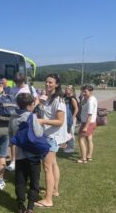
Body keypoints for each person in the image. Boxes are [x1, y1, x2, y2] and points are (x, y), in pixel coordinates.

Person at [35, 74, 67, 208]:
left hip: (51, 138)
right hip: (50, 136)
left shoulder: (58, 101)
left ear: (57, 84)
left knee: (47, 167)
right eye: (46, 82)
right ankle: (54, 190)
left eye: (50, 82)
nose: (47, 84)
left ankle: (48, 200)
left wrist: (42, 121)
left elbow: (60, 121)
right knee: (53, 164)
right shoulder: (49, 98)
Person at [9, 93, 43, 213]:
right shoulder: (31, 116)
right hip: (32, 155)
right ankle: (30, 207)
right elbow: (39, 134)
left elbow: (11, 135)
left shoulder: (13, 117)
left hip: (19, 154)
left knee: (20, 181)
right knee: (34, 181)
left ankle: (20, 205)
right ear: (29, 105)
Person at [7, 73, 39, 172]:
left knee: (27, 137)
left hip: (27, 115)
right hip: (16, 115)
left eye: (20, 82)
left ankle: (26, 158)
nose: (18, 84)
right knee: (14, 139)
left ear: (23, 81)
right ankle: (13, 160)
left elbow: (36, 100)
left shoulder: (29, 88)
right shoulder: (13, 89)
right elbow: (11, 101)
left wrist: (31, 109)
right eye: (16, 82)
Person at [76, 84, 97, 163]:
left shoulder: (90, 101)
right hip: (91, 122)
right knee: (89, 139)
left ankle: (83, 158)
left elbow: (90, 115)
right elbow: (82, 103)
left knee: (80, 139)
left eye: (85, 92)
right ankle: (89, 156)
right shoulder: (90, 98)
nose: (83, 93)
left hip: (88, 123)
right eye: (82, 91)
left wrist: (85, 127)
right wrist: (83, 95)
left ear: (91, 91)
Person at [63, 85, 79, 153]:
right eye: (66, 89)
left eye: (68, 89)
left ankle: (71, 147)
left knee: (71, 132)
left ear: (72, 90)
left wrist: (73, 118)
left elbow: (76, 109)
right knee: (67, 131)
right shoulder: (66, 97)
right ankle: (68, 146)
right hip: (66, 117)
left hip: (71, 117)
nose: (66, 90)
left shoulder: (72, 98)